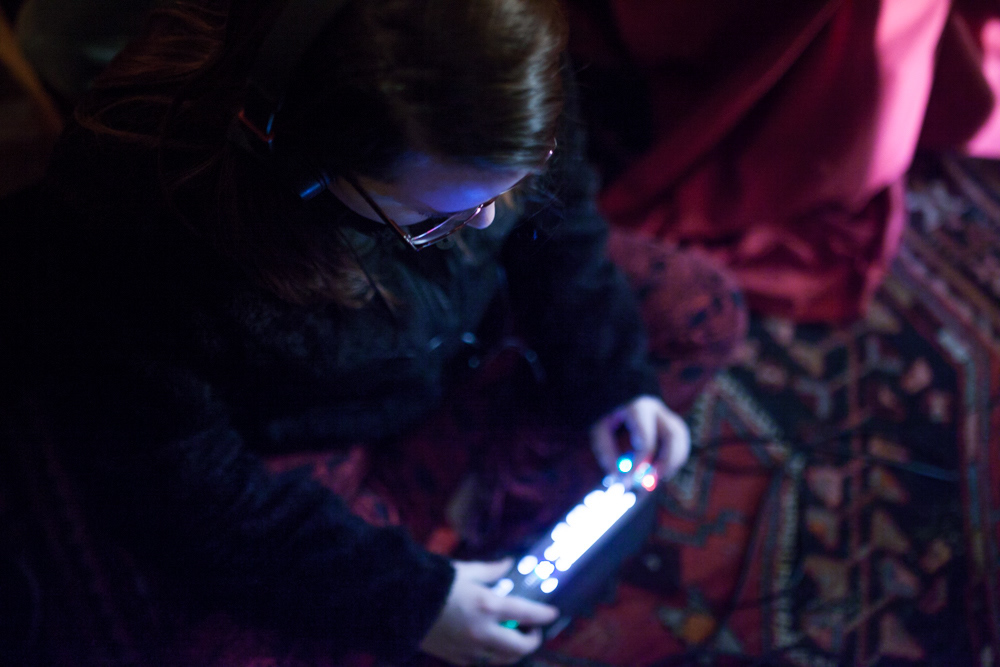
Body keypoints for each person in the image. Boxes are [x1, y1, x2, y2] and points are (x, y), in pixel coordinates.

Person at [26, 0, 746, 664]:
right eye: (434, 216)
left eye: (511, 184)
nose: (488, 221)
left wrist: (610, 374)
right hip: (299, 423)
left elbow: (562, 229)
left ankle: (454, 509)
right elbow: (178, 482)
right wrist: (408, 597)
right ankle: (448, 515)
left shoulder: (503, 68)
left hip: (460, 341)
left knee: (703, 312)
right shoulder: (137, 227)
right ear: (303, 158)